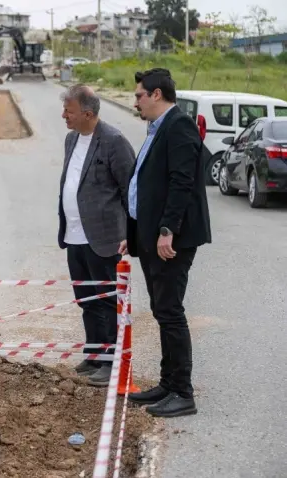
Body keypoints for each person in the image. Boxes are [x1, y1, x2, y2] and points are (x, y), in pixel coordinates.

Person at [120, 68, 211, 417]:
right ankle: (168, 384)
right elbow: (144, 187)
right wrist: (134, 236)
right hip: (153, 238)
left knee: (170, 311)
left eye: (139, 95)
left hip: (171, 240)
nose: (136, 101)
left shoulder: (179, 126)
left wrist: (166, 231)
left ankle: (183, 393)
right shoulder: (158, 128)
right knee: (162, 311)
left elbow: (181, 183)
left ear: (157, 94)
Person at [58, 84, 136, 387]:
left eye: (70, 111)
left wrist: (131, 232)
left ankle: (110, 362)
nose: (64, 115)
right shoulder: (71, 139)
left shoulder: (114, 142)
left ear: (88, 114)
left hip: (103, 238)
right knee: (86, 300)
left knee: (106, 302)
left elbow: (131, 189)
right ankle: (93, 354)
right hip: (74, 237)